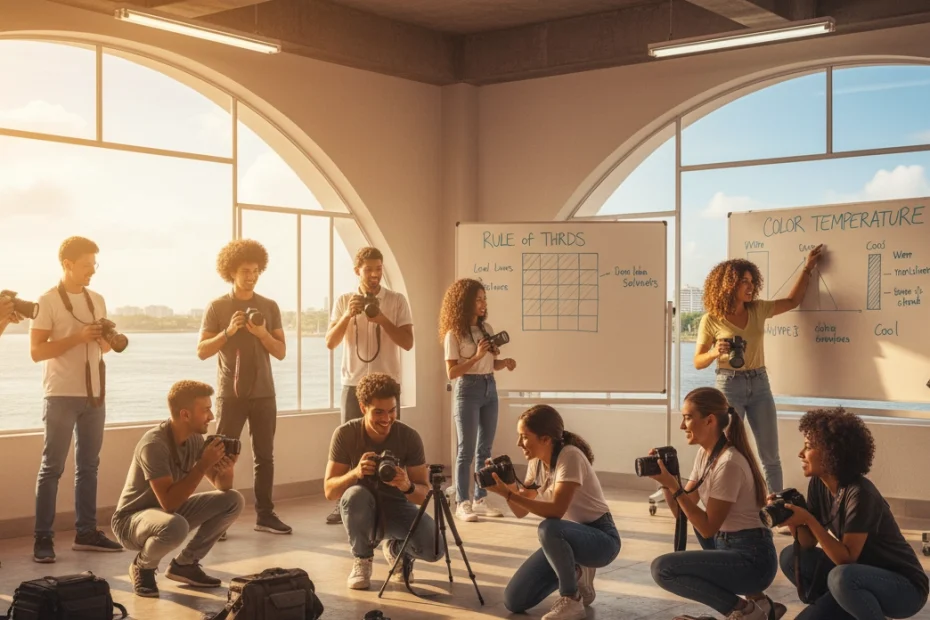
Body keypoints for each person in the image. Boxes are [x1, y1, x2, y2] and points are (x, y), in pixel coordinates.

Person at [694, 245, 823, 498]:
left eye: (752, 281)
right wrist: (714, 352)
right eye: (744, 281)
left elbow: (793, 301)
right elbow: (698, 361)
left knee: (770, 455)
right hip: (728, 386)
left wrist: (808, 268)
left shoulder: (758, 309)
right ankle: (726, 503)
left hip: (760, 384)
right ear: (728, 284)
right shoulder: (711, 319)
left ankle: (778, 509)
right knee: (727, 451)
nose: (750, 286)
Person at [774, 408, 928, 620]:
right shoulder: (818, 484)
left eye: (808, 447)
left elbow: (846, 558)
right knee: (791, 557)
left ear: (830, 452)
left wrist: (809, 519)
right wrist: (790, 518)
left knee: (841, 577)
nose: (801, 453)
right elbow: (807, 543)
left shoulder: (860, 494)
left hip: (904, 588)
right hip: (858, 576)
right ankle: (842, 610)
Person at [649, 387, 782, 620]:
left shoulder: (729, 463)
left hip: (752, 560)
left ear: (709, 420)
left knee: (663, 569)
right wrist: (666, 480)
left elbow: (708, 527)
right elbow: (682, 513)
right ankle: (760, 603)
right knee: (695, 519)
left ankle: (745, 612)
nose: (682, 426)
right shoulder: (706, 454)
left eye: (688, 418)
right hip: (727, 545)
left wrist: (673, 485)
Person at [30, 236, 123, 563]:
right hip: (60, 395)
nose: (92, 271)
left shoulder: (97, 299)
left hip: (94, 394)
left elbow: (103, 348)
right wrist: (77, 338)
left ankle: (86, 533)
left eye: (95, 265)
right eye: (86, 265)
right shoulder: (47, 301)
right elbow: (37, 351)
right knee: (51, 468)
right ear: (67, 264)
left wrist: (105, 339)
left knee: (89, 467)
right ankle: (43, 539)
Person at [486, 405, 620, 620]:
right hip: (564, 541)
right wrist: (507, 486)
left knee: (548, 527)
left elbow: (557, 510)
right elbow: (520, 511)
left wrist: (510, 494)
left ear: (545, 439)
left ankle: (572, 599)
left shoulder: (570, 456)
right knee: (514, 600)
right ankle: (576, 573)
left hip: (601, 540)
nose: (519, 443)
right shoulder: (536, 463)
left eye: (524, 437)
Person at [111, 380, 244, 597]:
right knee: (176, 526)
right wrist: (202, 464)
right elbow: (169, 502)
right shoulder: (154, 444)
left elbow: (223, 486)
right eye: (206, 410)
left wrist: (227, 467)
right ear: (185, 414)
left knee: (233, 500)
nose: (211, 417)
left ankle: (185, 565)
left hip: (168, 516)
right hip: (131, 521)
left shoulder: (194, 439)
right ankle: (143, 567)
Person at [198, 239, 290, 536]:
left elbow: (280, 351)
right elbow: (202, 350)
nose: (251, 276)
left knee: (265, 456)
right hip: (230, 395)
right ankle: (219, 518)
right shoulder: (218, 306)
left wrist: (262, 333)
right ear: (231, 272)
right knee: (221, 456)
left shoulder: (268, 307)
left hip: (265, 394)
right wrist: (228, 331)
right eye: (245, 271)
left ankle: (265, 515)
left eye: (255, 271)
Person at [323, 372, 441, 590]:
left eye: (392, 411)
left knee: (435, 549)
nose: (386, 419)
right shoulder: (345, 434)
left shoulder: (409, 437)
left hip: (398, 506)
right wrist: (356, 473)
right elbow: (330, 491)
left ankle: (396, 550)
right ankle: (362, 558)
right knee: (354, 495)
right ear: (362, 407)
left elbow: (424, 494)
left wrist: (407, 485)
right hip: (362, 508)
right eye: (378, 412)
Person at [324, 247, 413, 524]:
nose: (375, 275)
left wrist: (382, 318)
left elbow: (407, 342)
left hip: (387, 384)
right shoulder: (343, 301)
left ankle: (390, 499)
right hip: (353, 384)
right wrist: (348, 316)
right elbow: (330, 342)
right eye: (369, 269)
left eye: (379, 269)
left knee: (391, 443)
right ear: (357, 271)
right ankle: (346, 503)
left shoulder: (396, 300)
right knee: (349, 446)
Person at [439, 278, 517, 523]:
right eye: (479, 299)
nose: (484, 303)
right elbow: (452, 373)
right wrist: (476, 356)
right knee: (465, 449)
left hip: (489, 387)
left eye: (485, 298)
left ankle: (480, 498)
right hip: (467, 389)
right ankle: (462, 502)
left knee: (485, 449)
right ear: (465, 302)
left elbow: (488, 363)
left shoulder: (487, 329)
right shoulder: (453, 334)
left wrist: (502, 364)